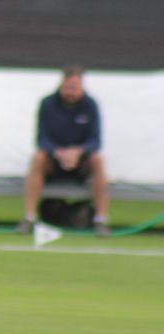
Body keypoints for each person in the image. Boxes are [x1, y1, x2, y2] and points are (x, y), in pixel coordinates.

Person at [15, 66, 110, 236]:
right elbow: (42, 139)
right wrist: (58, 153)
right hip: (54, 162)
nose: (70, 92)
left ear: (81, 87)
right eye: (67, 88)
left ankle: (100, 219)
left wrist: (78, 152)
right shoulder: (48, 103)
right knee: (38, 158)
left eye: (74, 88)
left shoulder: (90, 105)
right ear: (61, 84)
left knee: (97, 160)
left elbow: (95, 141)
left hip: (80, 163)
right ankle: (29, 217)